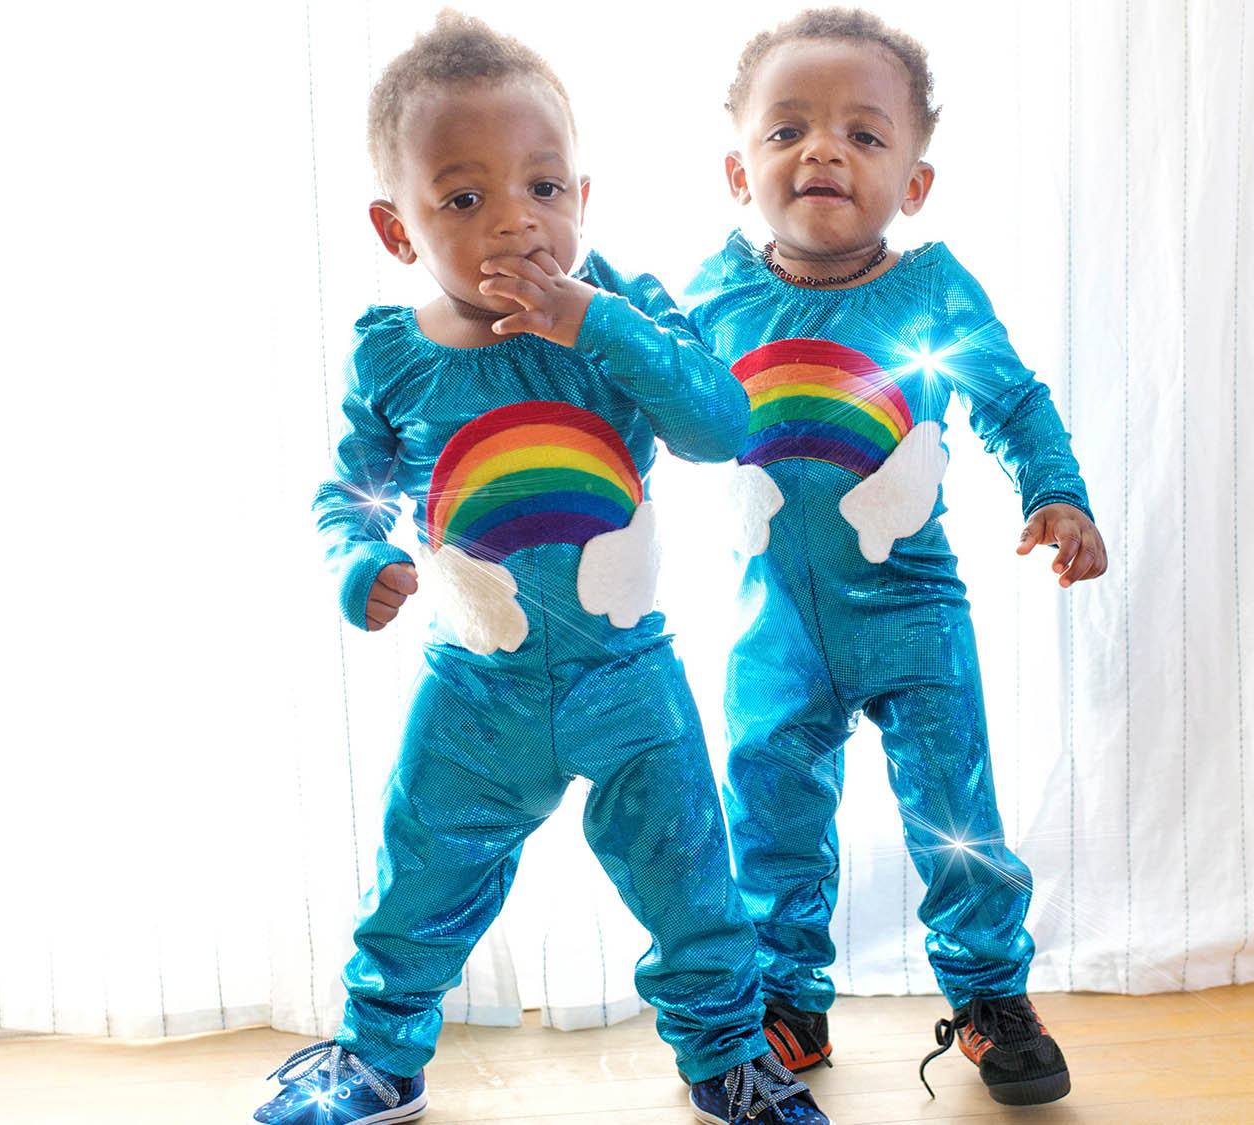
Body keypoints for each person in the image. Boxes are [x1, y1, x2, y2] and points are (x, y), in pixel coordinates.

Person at [252, 12, 832, 1125]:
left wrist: (599, 326)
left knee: (690, 882)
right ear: (395, 225)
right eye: (464, 200)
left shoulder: (626, 314)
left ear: (581, 195)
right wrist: (357, 557)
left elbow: (721, 424)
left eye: (545, 188)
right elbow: (348, 491)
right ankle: (378, 1060)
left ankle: (727, 1058)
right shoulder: (394, 354)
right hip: (477, 693)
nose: (516, 222)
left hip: (630, 685)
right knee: (419, 878)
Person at [683, 7, 1109, 1107]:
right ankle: (785, 1002)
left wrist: (1055, 493)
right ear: (740, 168)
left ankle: (986, 996)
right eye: (788, 130)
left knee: (950, 812)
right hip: (771, 619)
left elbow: (1011, 399)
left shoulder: (931, 291)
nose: (821, 149)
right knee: (767, 808)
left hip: (911, 614)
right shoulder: (709, 297)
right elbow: (640, 397)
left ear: (912, 185)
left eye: (863, 136)